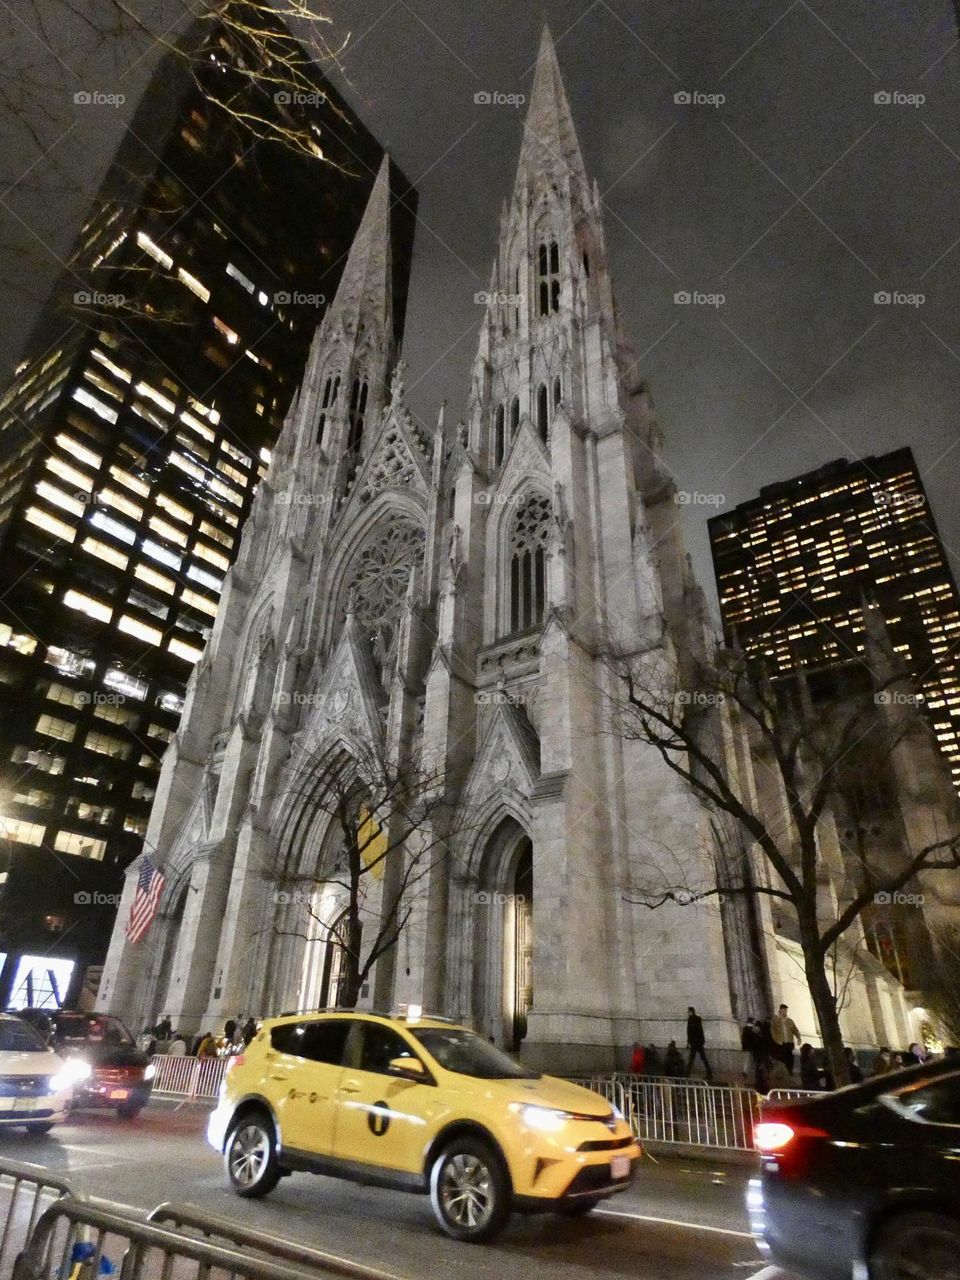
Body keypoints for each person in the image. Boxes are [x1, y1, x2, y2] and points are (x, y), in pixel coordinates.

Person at [771, 1004, 801, 1073]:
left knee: (790, 1058)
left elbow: (795, 1030)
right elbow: (773, 1031)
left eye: (786, 1010)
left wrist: (799, 1038)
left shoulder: (790, 1020)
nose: (785, 1012)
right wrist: (776, 1040)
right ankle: (783, 1072)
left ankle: (789, 1072)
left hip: (789, 1042)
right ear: (780, 1010)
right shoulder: (775, 1020)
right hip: (781, 1043)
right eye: (784, 1010)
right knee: (782, 1058)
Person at [685, 1006, 712, 1079]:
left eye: (688, 1012)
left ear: (690, 1012)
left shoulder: (690, 1019)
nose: (687, 1013)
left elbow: (689, 1032)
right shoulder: (698, 1019)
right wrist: (702, 1040)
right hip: (699, 1042)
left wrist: (688, 1042)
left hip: (694, 1042)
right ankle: (709, 1073)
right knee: (703, 1058)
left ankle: (687, 1073)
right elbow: (701, 1030)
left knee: (691, 1058)